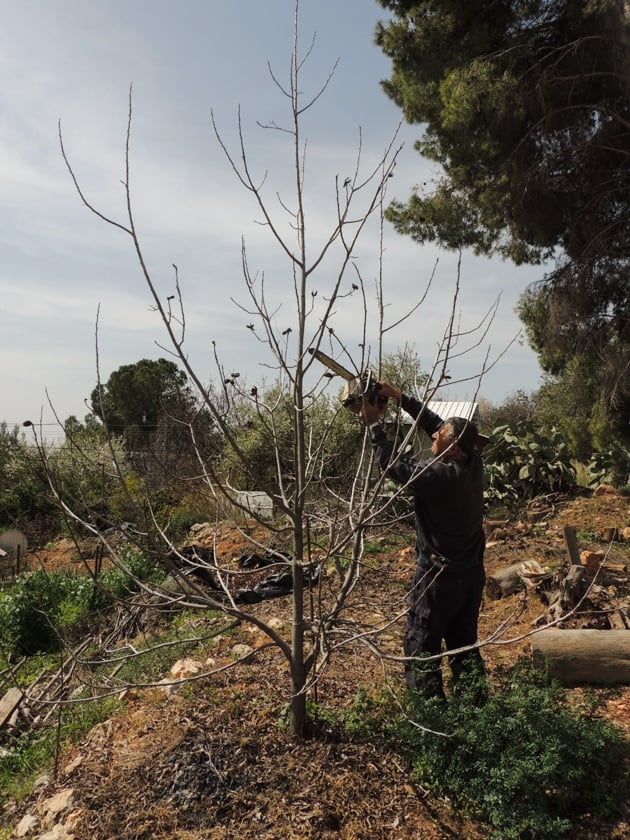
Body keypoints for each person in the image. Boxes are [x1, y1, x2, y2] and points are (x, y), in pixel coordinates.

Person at [359, 382, 487, 703]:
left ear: (452, 447)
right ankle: (476, 712)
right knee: (464, 647)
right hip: (469, 578)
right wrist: (401, 398)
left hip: (437, 582)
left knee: (421, 648)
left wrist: (374, 423)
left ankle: (432, 725)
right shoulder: (472, 463)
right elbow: (434, 424)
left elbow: (391, 463)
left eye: (440, 437)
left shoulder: (439, 477)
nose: (433, 435)